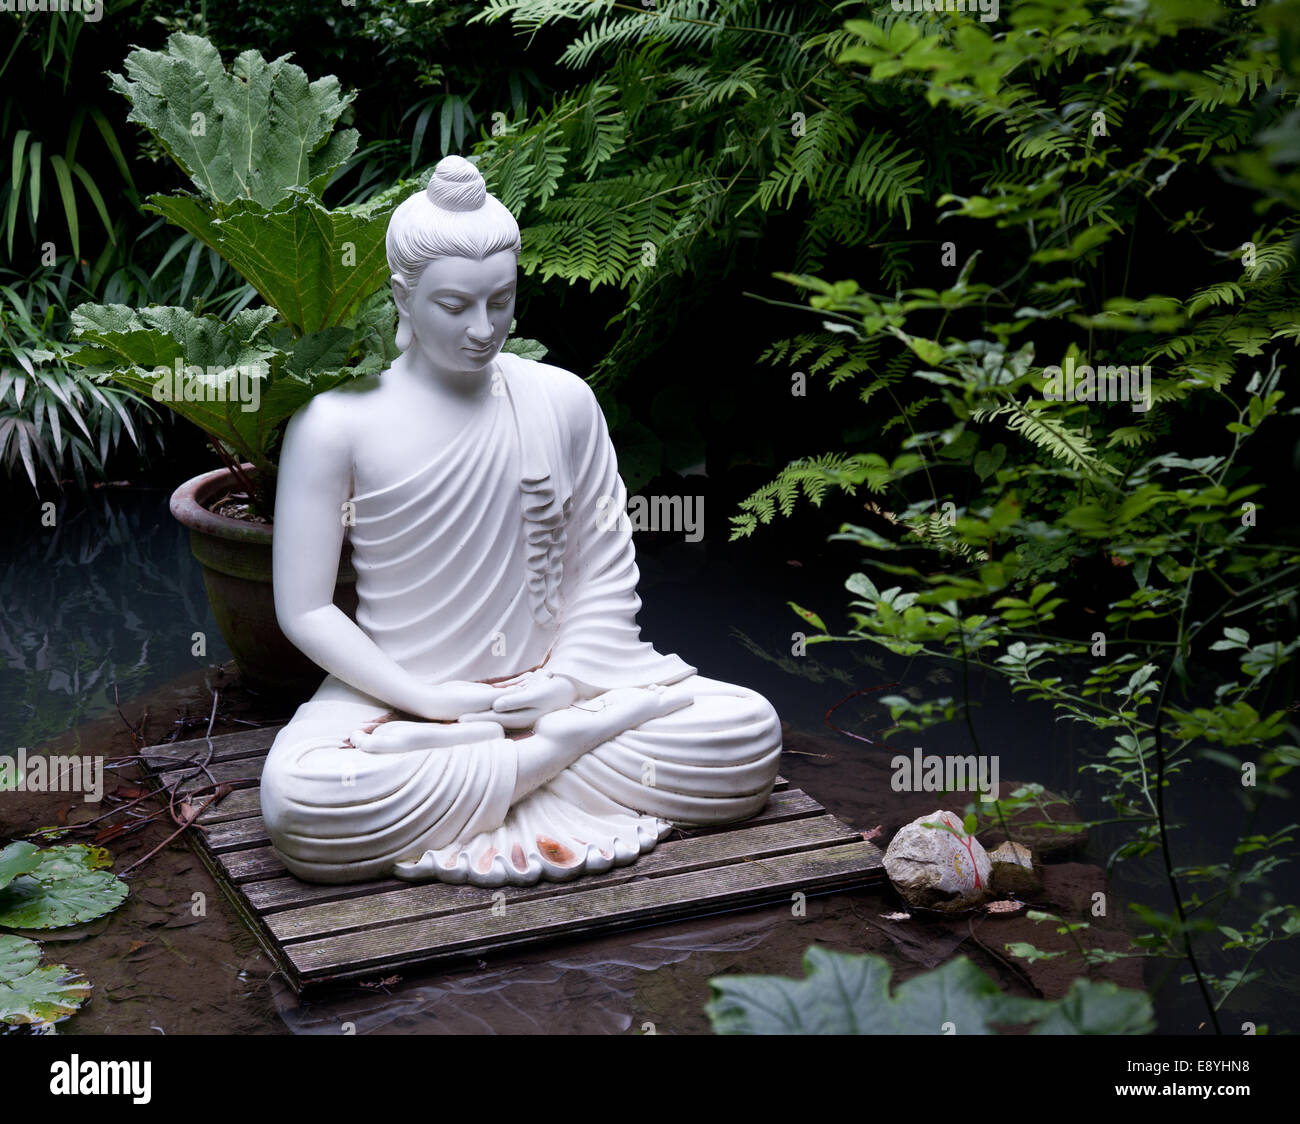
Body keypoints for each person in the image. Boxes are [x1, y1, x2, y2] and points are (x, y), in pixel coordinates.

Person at [259, 155, 782, 886]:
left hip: (554, 691)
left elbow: (601, 577)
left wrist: (566, 683)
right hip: (398, 699)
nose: (483, 328)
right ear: (402, 297)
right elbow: (307, 609)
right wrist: (428, 700)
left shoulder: (562, 400)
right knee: (304, 803)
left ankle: (509, 769)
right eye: (455, 306)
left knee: (744, 730)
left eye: (500, 301)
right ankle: (550, 758)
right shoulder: (337, 422)